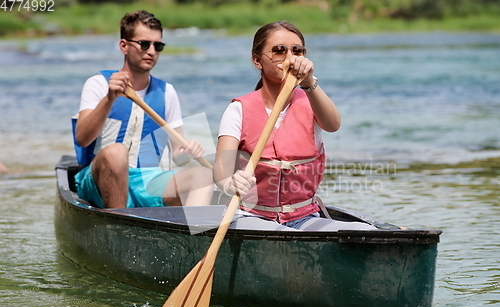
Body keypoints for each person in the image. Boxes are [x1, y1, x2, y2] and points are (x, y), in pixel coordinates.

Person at [213, 21, 375, 231]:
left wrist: (308, 82)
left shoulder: (312, 100)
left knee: (366, 232)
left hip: (304, 217)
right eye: (279, 51)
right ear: (257, 60)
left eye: (297, 51)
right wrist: (229, 182)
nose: (289, 57)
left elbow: (333, 124)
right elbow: (220, 168)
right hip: (250, 215)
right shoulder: (238, 110)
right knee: (280, 233)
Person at [72, 10, 212, 209]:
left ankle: (196, 238)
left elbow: (178, 156)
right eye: (144, 44)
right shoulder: (98, 84)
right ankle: (118, 226)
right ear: (124, 46)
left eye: (158, 45)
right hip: (98, 178)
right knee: (116, 152)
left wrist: (188, 151)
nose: (152, 51)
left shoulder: (167, 92)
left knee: (202, 175)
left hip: (147, 181)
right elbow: (83, 138)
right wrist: (109, 99)